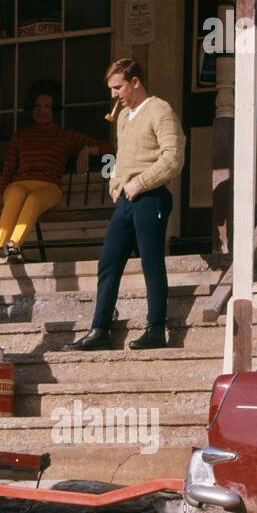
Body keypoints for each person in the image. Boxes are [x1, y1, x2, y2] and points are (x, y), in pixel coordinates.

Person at [67, 58, 185, 352]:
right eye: (111, 88)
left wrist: (139, 183)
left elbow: (173, 159)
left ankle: (156, 328)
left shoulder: (161, 111)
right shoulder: (123, 117)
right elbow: (121, 158)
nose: (114, 95)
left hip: (152, 196)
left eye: (118, 87)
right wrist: (115, 185)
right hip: (126, 199)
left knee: (151, 261)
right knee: (108, 261)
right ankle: (100, 329)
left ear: (135, 82)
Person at [0, 81, 112, 265]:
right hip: (19, 184)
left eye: (47, 106)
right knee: (16, 192)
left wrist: (87, 150)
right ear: (31, 108)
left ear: (54, 110)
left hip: (49, 187)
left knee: (33, 199)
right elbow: (8, 168)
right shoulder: (20, 136)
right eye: (37, 106)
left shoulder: (65, 136)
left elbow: (109, 147)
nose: (42, 111)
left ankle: (13, 247)